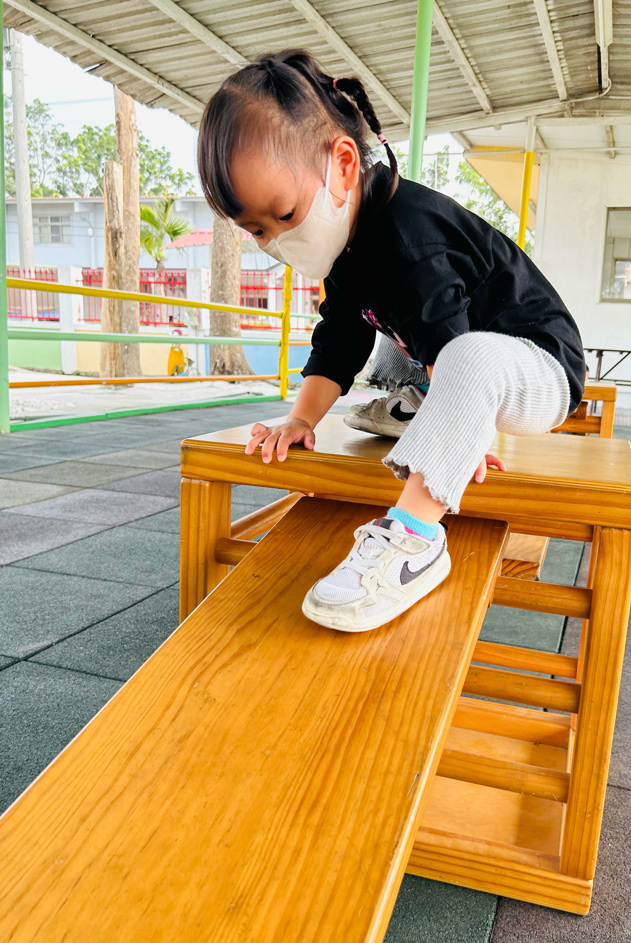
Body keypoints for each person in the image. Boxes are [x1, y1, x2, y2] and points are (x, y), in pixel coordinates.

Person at [197, 49, 585, 632]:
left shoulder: (411, 236)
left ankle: (416, 540)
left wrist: (460, 437)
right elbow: (341, 336)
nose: (275, 240)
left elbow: (451, 341)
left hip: (540, 368)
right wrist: (300, 419)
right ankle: (421, 408)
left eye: (284, 214)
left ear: (343, 164)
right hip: (459, 360)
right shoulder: (346, 242)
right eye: (256, 230)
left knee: (460, 356)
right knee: (402, 351)